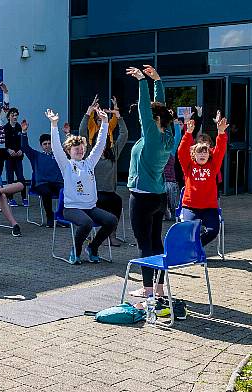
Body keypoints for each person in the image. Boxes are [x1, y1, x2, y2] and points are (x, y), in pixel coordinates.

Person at [125, 65, 175, 300]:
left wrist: (142, 82)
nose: (142, 119)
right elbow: (160, 109)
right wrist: (157, 81)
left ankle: (147, 290)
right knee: (156, 242)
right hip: (159, 196)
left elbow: (146, 109)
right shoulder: (168, 135)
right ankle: (159, 288)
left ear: (154, 120)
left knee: (144, 244)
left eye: (148, 117)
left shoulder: (153, 137)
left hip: (143, 197)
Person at [48, 108, 118, 264]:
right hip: (71, 208)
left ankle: (93, 248)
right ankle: (76, 250)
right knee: (86, 223)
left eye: (82, 148)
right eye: (76, 148)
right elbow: (56, 148)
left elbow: (100, 145)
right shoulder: (66, 164)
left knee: (111, 220)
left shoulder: (89, 163)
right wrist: (54, 125)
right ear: (69, 151)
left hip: (90, 207)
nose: (80, 150)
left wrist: (105, 122)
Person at [78, 97, 129, 245]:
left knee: (117, 201)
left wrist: (118, 116)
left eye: (105, 141)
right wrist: (89, 112)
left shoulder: (113, 153)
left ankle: (111, 235)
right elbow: (82, 131)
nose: (103, 144)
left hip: (109, 192)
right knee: (99, 205)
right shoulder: (89, 154)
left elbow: (124, 135)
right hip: (93, 193)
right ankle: (90, 234)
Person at [177, 114, 228, 246]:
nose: (203, 154)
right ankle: (193, 250)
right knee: (189, 230)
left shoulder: (213, 166)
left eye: (205, 152)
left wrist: (221, 133)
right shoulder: (188, 166)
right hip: (190, 207)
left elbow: (220, 150)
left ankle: (195, 248)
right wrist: (188, 133)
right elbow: (182, 151)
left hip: (209, 207)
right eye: (200, 152)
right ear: (194, 154)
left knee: (213, 230)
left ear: (209, 155)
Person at [20, 123, 64, 228]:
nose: (48, 146)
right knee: (46, 192)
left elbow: (69, 149)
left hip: (56, 183)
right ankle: (50, 217)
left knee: (66, 191)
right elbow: (24, 147)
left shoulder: (59, 155)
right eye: (45, 144)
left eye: (49, 143)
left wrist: (67, 134)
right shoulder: (36, 155)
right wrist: (24, 132)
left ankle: (61, 217)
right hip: (42, 184)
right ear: (41, 146)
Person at [4, 108, 27, 205]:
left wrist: (22, 150)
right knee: (10, 178)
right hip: (9, 157)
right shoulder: (5, 128)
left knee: (21, 177)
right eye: (12, 115)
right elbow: (3, 143)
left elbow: (23, 141)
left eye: (16, 115)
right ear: (8, 116)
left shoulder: (19, 127)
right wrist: (8, 150)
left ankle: (24, 198)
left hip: (18, 157)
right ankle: (10, 199)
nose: (15, 117)